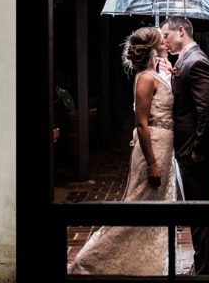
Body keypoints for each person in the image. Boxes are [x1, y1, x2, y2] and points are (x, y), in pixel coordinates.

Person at [69, 26, 175, 276]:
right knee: (138, 204)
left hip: (164, 145)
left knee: (152, 206)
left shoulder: (156, 73)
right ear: (152, 48)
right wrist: (152, 163)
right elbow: (141, 123)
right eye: (162, 40)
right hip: (154, 148)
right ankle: (88, 262)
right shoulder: (146, 78)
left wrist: (170, 72)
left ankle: (137, 263)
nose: (166, 41)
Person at [160, 16, 209, 277]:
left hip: (196, 151)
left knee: (200, 211)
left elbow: (208, 110)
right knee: (197, 210)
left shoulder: (196, 62)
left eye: (166, 35)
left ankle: (206, 271)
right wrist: (173, 74)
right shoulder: (185, 61)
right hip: (188, 148)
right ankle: (201, 263)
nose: (163, 41)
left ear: (181, 31)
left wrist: (197, 148)